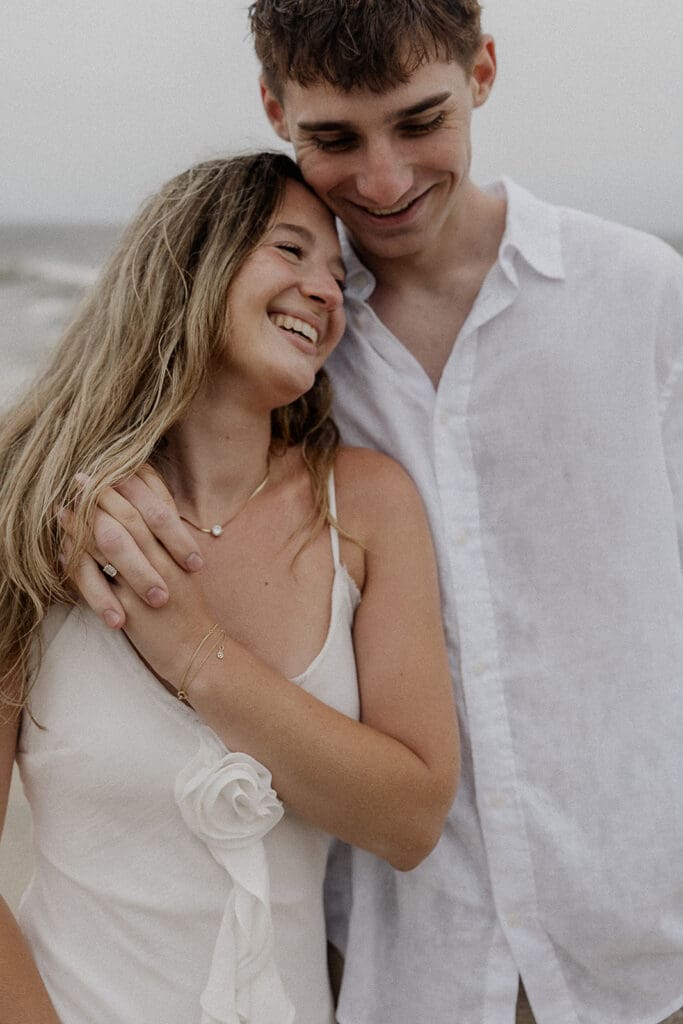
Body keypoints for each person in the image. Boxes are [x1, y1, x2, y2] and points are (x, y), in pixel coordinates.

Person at [57, 3, 683, 1023]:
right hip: (402, 967)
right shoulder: (290, 341)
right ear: (275, 110)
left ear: (480, 70)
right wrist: (75, 500)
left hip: (642, 946)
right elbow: (119, 413)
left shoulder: (639, 296)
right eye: (336, 139)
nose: (384, 182)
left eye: (419, 120)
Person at [0, 151, 459, 1024]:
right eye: (289, 251)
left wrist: (197, 654)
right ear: (189, 262)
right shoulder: (30, 512)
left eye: (337, 274)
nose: (324, 292)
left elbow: (410, 819)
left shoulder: (365, 507)